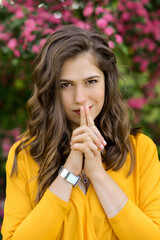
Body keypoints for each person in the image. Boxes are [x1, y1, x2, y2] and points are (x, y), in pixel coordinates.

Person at [1, 25, 160, 240]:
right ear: (51, 90)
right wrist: (70, 170)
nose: (80, 98)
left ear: (107, 82)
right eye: (66, 85)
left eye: (91, 82)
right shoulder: (25, 155)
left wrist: (97, 173)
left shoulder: (140, 150)